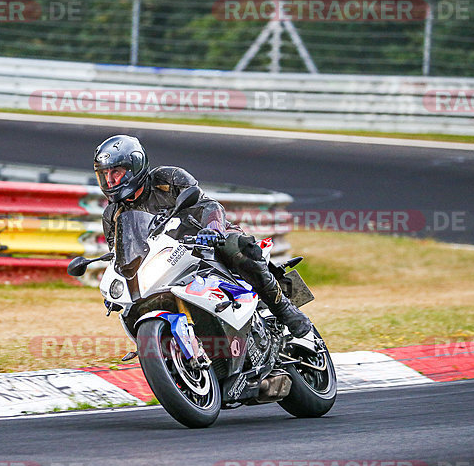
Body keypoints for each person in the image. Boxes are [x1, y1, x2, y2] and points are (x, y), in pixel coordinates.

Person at [95, 134, 312, 340]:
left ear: (134, 166)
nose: (110, 180)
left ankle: (284, 309)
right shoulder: (112, 215)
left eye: (116, 172)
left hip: (204, 239)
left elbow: (208, 205)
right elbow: (120, 254)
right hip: (166, 260)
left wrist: (213, 230)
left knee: (237, 248)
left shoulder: (167, 179)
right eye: (104, 174)